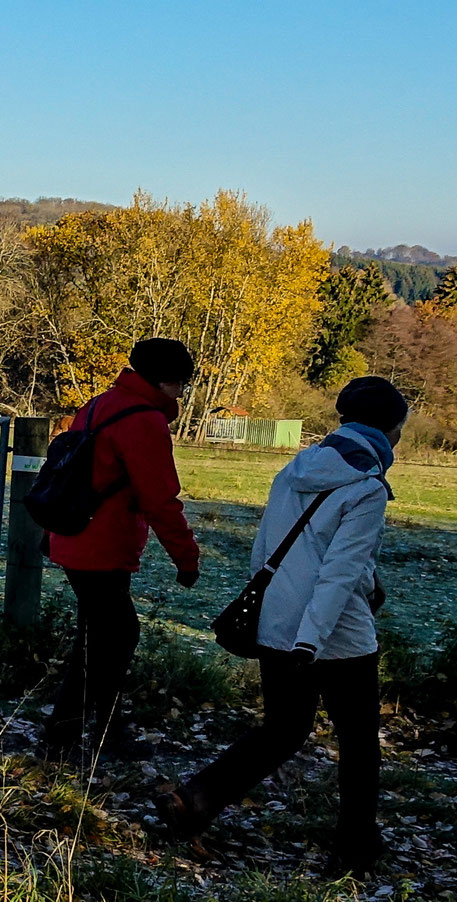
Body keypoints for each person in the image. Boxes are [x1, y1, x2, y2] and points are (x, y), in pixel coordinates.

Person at [155, 374, 409, 878]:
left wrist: (282, 619)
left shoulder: (294, 468)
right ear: (391, 429)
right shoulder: (367, 488)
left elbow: (268, 549)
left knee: (283, 730)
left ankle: (197, 800)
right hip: (336, 636)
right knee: (358, 742)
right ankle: (355, 844)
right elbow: (338, 576)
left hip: (277, 620)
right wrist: (311, 641)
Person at [41, 337, 202, 764]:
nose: (182, 393)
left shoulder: (98, 404)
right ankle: (94, 736)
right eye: (181, 384)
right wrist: (187, 559)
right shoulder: (143, 420)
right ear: (164, 381)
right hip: (101, 544)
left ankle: (71, 733)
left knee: (100, 636)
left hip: (72, 536)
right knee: (114, 636)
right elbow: (160, 499)